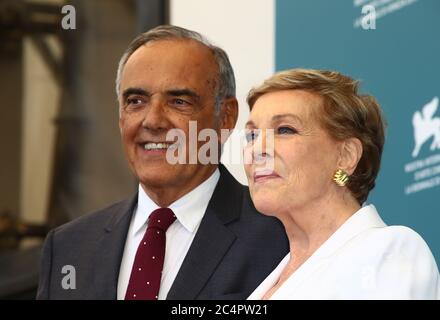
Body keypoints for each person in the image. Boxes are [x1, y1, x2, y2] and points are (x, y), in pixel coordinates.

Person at [36, 25, 288, 300]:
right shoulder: (68, 247)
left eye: (179, 101)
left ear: (226, 117)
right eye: (136, 101)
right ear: (121, 116)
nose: (153, 120)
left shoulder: (281, 236)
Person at [244, 68, 440, 299]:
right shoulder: (270, 274)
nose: (256, 151)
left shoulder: (390, 252)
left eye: (285, 130)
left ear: (346, 156)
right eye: (252, 135)